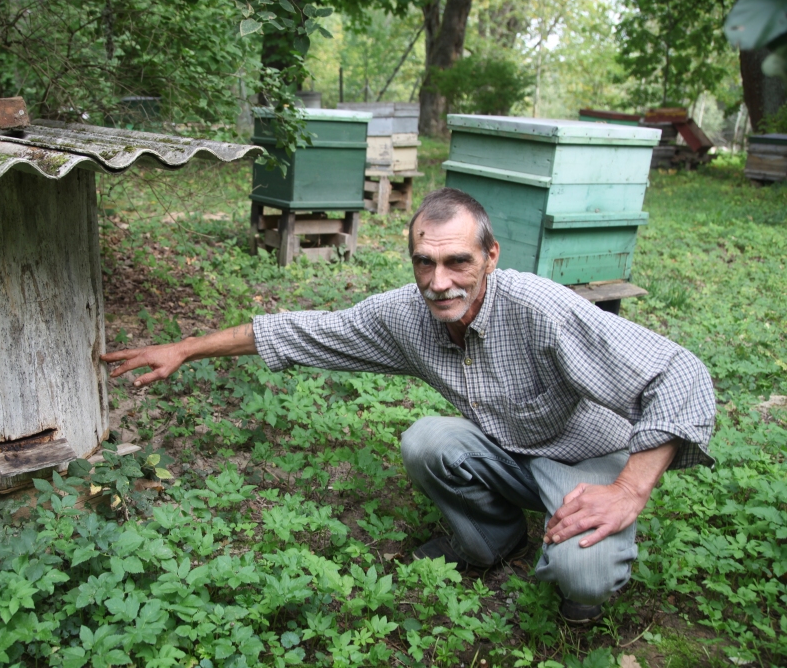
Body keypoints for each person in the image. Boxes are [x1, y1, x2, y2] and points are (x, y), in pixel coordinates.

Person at [100, 187, 715, 625]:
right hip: (506, 450)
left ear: (490, 257)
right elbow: (299, 330)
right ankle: (492, 540)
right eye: (425, 261)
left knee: (584, 577)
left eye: (458, 262)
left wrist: (629, 489)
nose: (439, 281)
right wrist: (184, 347)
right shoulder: (404, 315)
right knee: (426, 439)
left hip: (584, 455)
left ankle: (584, 576)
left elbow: (679, 373)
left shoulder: (541, 309)